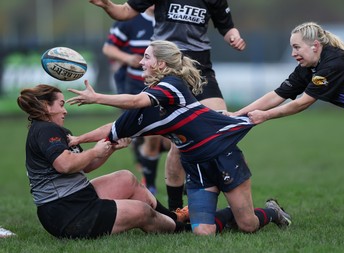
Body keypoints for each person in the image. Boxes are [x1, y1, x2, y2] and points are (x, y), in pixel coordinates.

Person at [66, 40, 291, 235]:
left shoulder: (172, 86)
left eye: (146, 57)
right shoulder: (146, 104)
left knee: (248, 225)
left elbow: (135, 101)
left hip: (223, 155)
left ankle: (271, 211)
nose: (141, 62)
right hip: (195, 166)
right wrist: (78, 139)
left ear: (161, 64)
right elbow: (112, 128)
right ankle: (227, 214)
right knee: (203, 232)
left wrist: (97, 98)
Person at [231, 22, 344, 231]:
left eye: (296, 47)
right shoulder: (308, 67)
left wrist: (264, 116)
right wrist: (237, 113)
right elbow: (277, 95)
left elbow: (302, 103)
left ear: (315, 46)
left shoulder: (336, 61)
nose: (293, 53)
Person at [89, 0, 246, 211]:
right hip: (168, 69)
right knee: (179, 145)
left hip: (200, 70)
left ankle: (234, 202)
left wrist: (234, 37)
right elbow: (125, 12)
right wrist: (106, 4)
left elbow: (226, 27)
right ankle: (176, 210)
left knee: (222, 133)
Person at [16, 84, 189, 239]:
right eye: (61, 105)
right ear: (46, 106)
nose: (65, 111)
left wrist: (110, 147)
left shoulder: (53, 129)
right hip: (66, 213)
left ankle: (175, 218)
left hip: (77, 199)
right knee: (142, 211)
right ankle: (182, 230)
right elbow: (65, 165)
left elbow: (86, 166)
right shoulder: (45, 129)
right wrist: (94, 151)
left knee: (126, 179)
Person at [103, 5, 169, 195]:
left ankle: (159, 179)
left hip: (165, 88)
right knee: (150, 136)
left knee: (166, 138)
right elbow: (108, 48)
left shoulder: (171, 18)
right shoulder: (129, 20)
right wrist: (127, 57)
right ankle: (149, 182)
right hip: (135, 87)